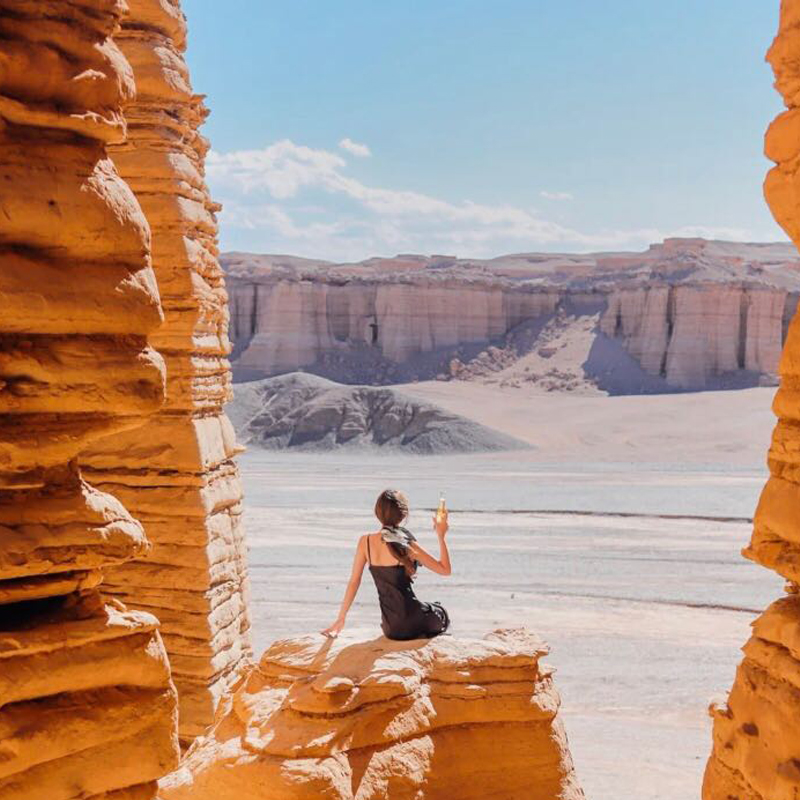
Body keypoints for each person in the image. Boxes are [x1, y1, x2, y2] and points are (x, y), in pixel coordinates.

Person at [321, 488, 451, 640]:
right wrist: (441, 536)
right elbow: (445, 570)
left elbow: (354, 582)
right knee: (441, 612)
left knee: (431, 607)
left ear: (378, 512)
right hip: (413, 620)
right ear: (403, 514)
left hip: (391, 628)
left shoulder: (366, 542)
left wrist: (341, 618)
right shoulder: (407, 544)